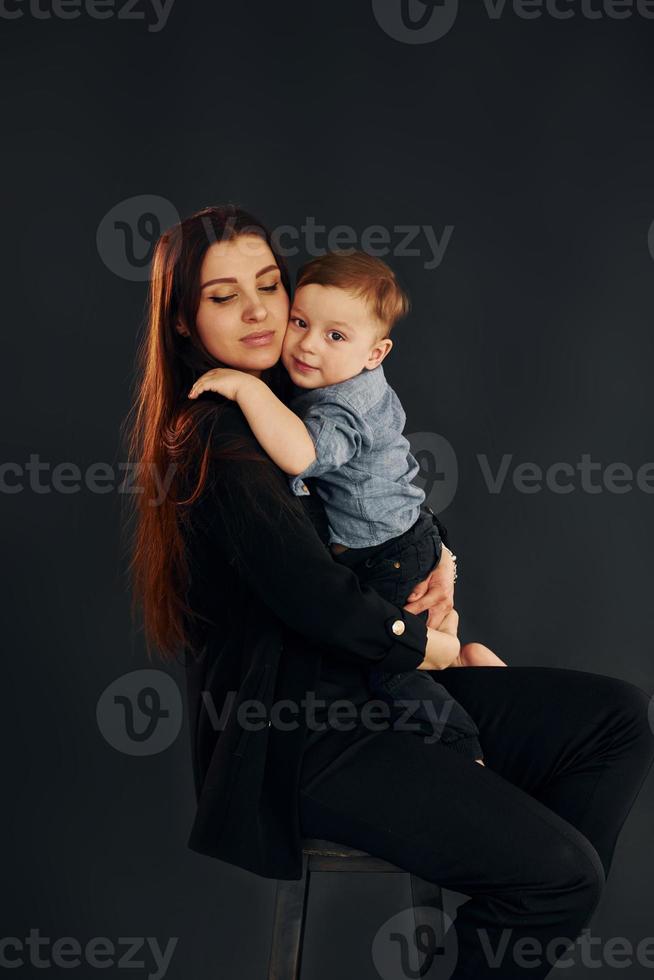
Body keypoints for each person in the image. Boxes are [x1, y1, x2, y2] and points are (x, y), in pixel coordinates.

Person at [124, 204, 654, 979]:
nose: (258, 311)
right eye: (222, 296)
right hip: (303, 736)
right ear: (181, 322)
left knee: (616, 720)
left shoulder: (302, 392)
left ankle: (516, 901)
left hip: (373, 690)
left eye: (269, 285)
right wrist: (432, 647)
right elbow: (320, 601)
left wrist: (441, 553)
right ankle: (532, 881)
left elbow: (374, 485)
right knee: (559, 874)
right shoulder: (218, 440)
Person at [188, 249, 503, 762]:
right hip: (401, 537)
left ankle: (462, 748)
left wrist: (245, 387)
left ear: (375, 354)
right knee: (392, 653)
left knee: (385, 668)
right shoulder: (331, 380)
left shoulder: (342, 402)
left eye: (335, 336)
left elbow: (300, 454)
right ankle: (473, 670)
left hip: (386, 552)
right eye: (300, 323)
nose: (308, 345)